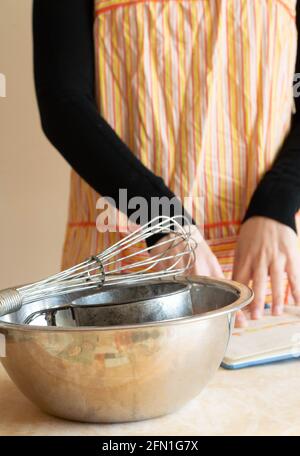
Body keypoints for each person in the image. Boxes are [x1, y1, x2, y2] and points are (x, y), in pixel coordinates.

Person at [33, 0, 300, 327]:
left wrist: (278, 201)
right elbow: (63, 104)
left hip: (271, 274)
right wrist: (160, 217)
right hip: (123, 268)